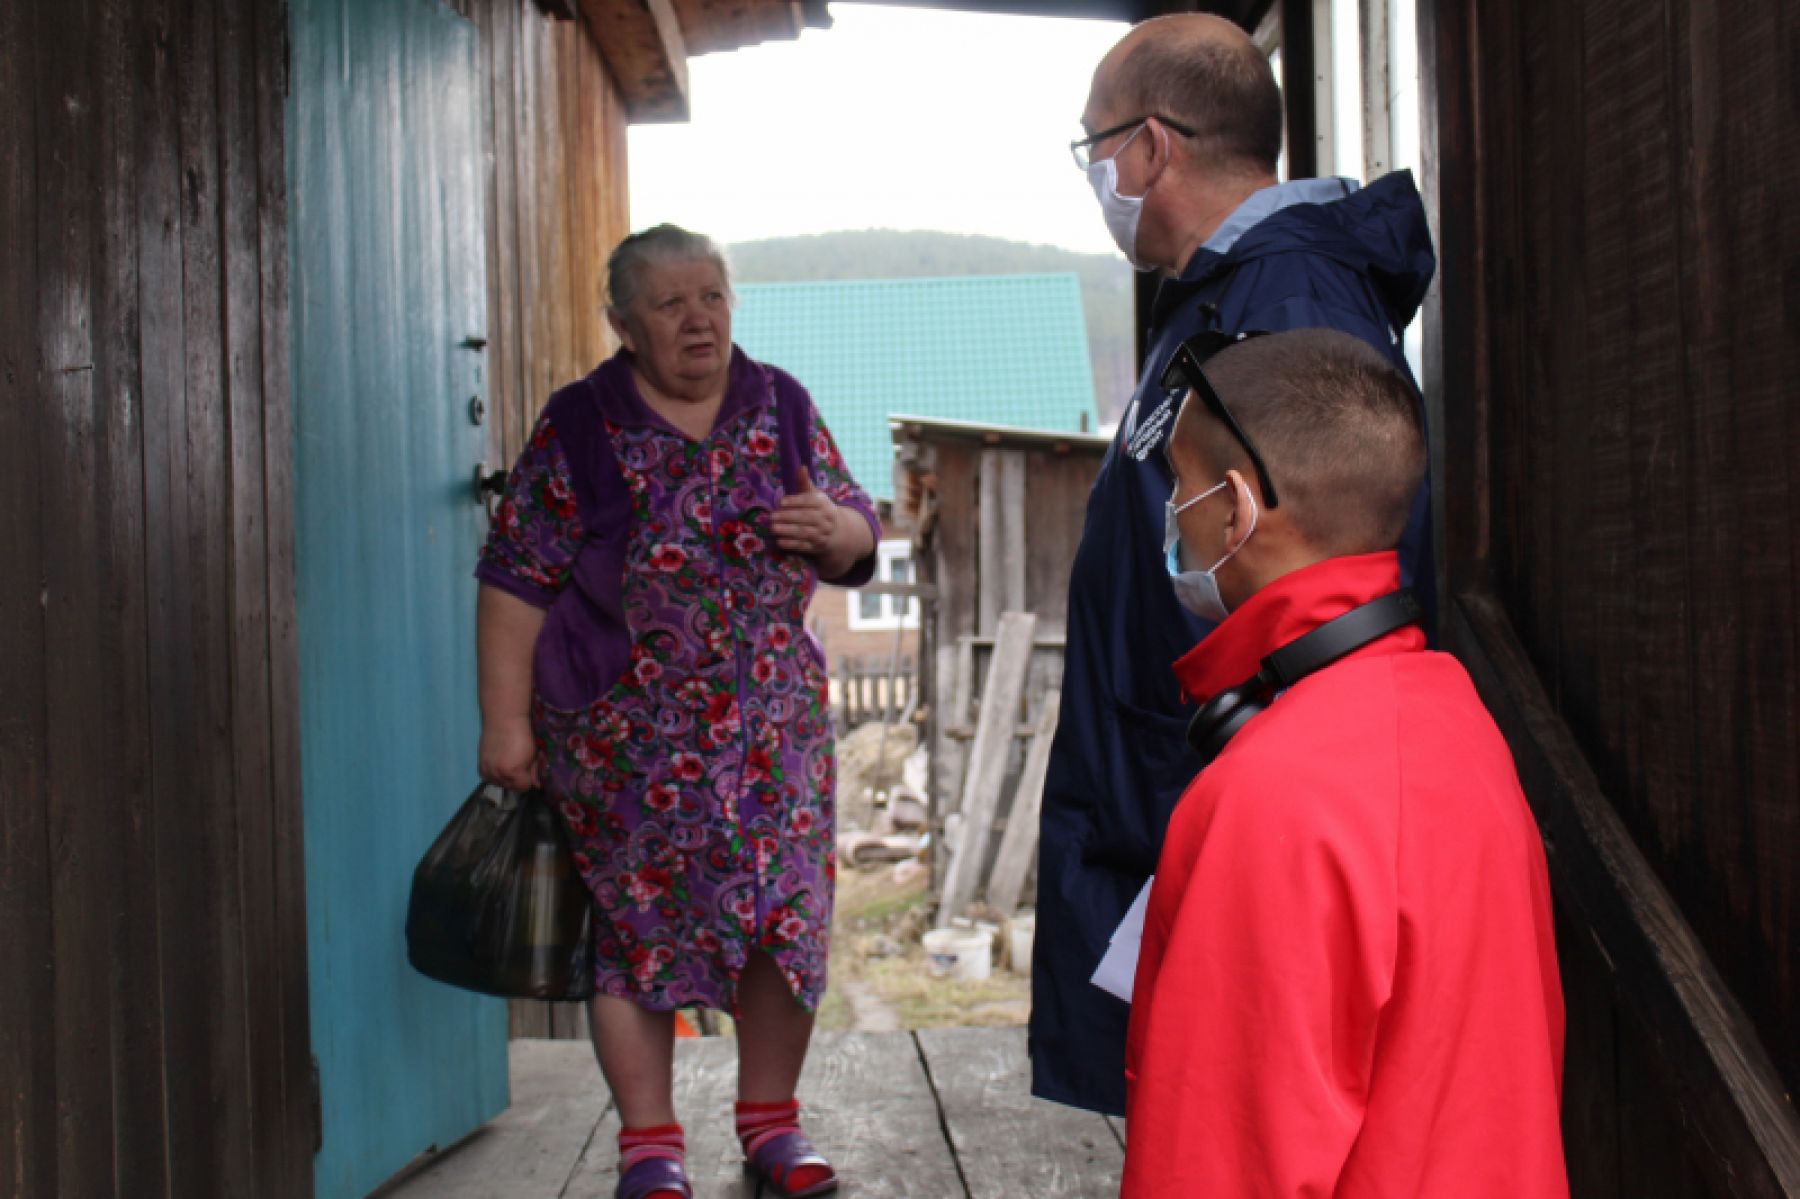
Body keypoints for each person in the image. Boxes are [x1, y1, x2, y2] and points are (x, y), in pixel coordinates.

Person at [1031, 12, 1438, 1114]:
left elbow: (1321, 594)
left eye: (1095, 148)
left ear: (1151, 146)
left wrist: (1237, 820)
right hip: (1174, 798)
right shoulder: (1220, 297)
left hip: (1228, 810)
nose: (1098, 176)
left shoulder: (1285, 305)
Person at [474, 224, 876, 1199]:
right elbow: (514, 580)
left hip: (772, 736)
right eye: (670, 303)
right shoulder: (580, 424)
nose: (699, 319)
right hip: (625, 741)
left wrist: (837, 532)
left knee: (785, 924)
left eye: (712, 296)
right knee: (635, 933)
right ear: (623, 322)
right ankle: (650, 1146)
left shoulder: (779, 403)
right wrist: (506, 723)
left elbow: (859, 532)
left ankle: (772, 1124)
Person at [1122, 328, 1566, 1196]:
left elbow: (1217, 1160)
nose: (1174, 513)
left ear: (1238, 508)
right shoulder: (1454, 715)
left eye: (1180, 484)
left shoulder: (1272, 792)